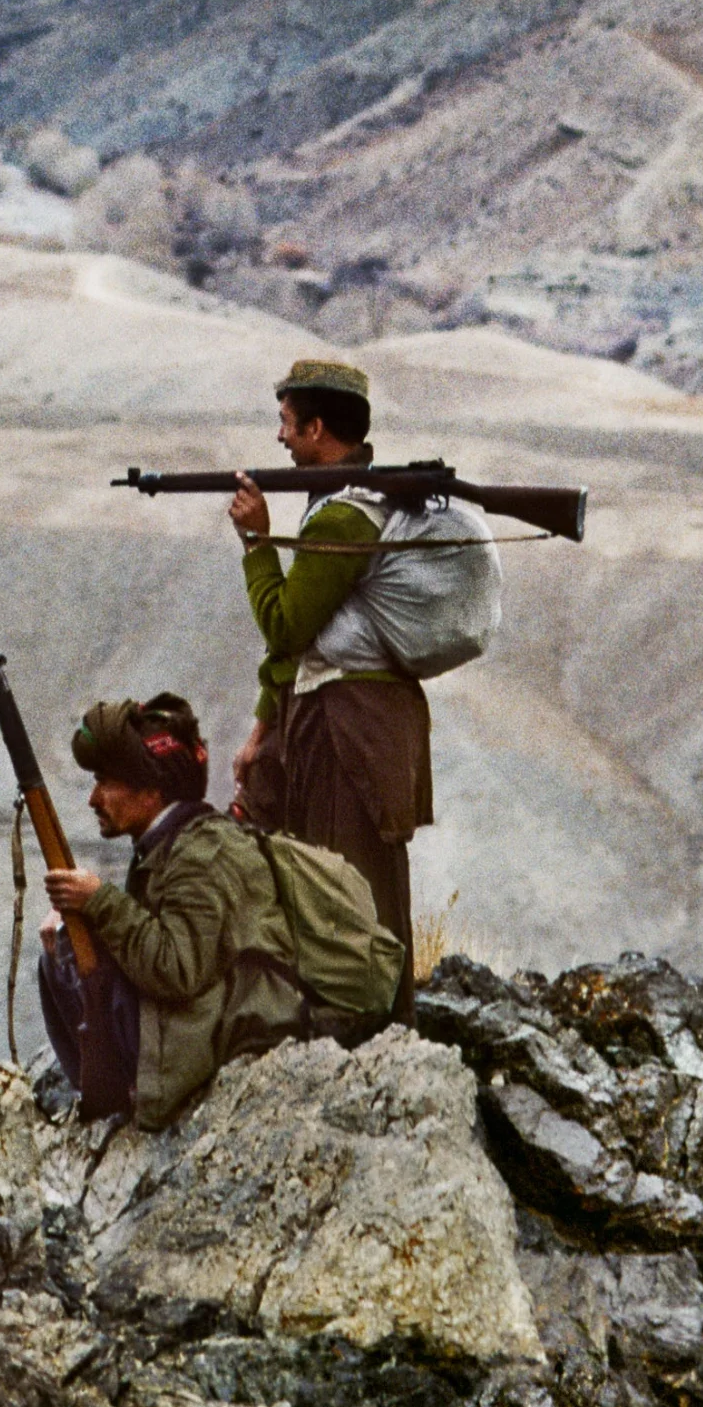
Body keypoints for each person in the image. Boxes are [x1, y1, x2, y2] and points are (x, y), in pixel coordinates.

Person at [228, 353, 429, 1009]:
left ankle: (377, 1046)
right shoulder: (337, 505)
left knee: (350, 895)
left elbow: (286, 628)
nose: (280, 438)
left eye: (287, 424)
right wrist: (263, 728)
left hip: (352, 731)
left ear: (317, 430)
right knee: (333, 888)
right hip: (343, 722)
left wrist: (258, 544)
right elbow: (301, 649)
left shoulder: (344, 515)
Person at [38, 695, 294, 1128]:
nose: (93, 799)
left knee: (86, 945)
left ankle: (125, 1095)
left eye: (105, 782)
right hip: (202, 1017)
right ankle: (102, 1096)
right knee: (61, 950)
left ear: (151, 790)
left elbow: (177, 968)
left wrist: (98, 902)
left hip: (224, 1029)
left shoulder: (200, 855)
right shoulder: (173, 843)